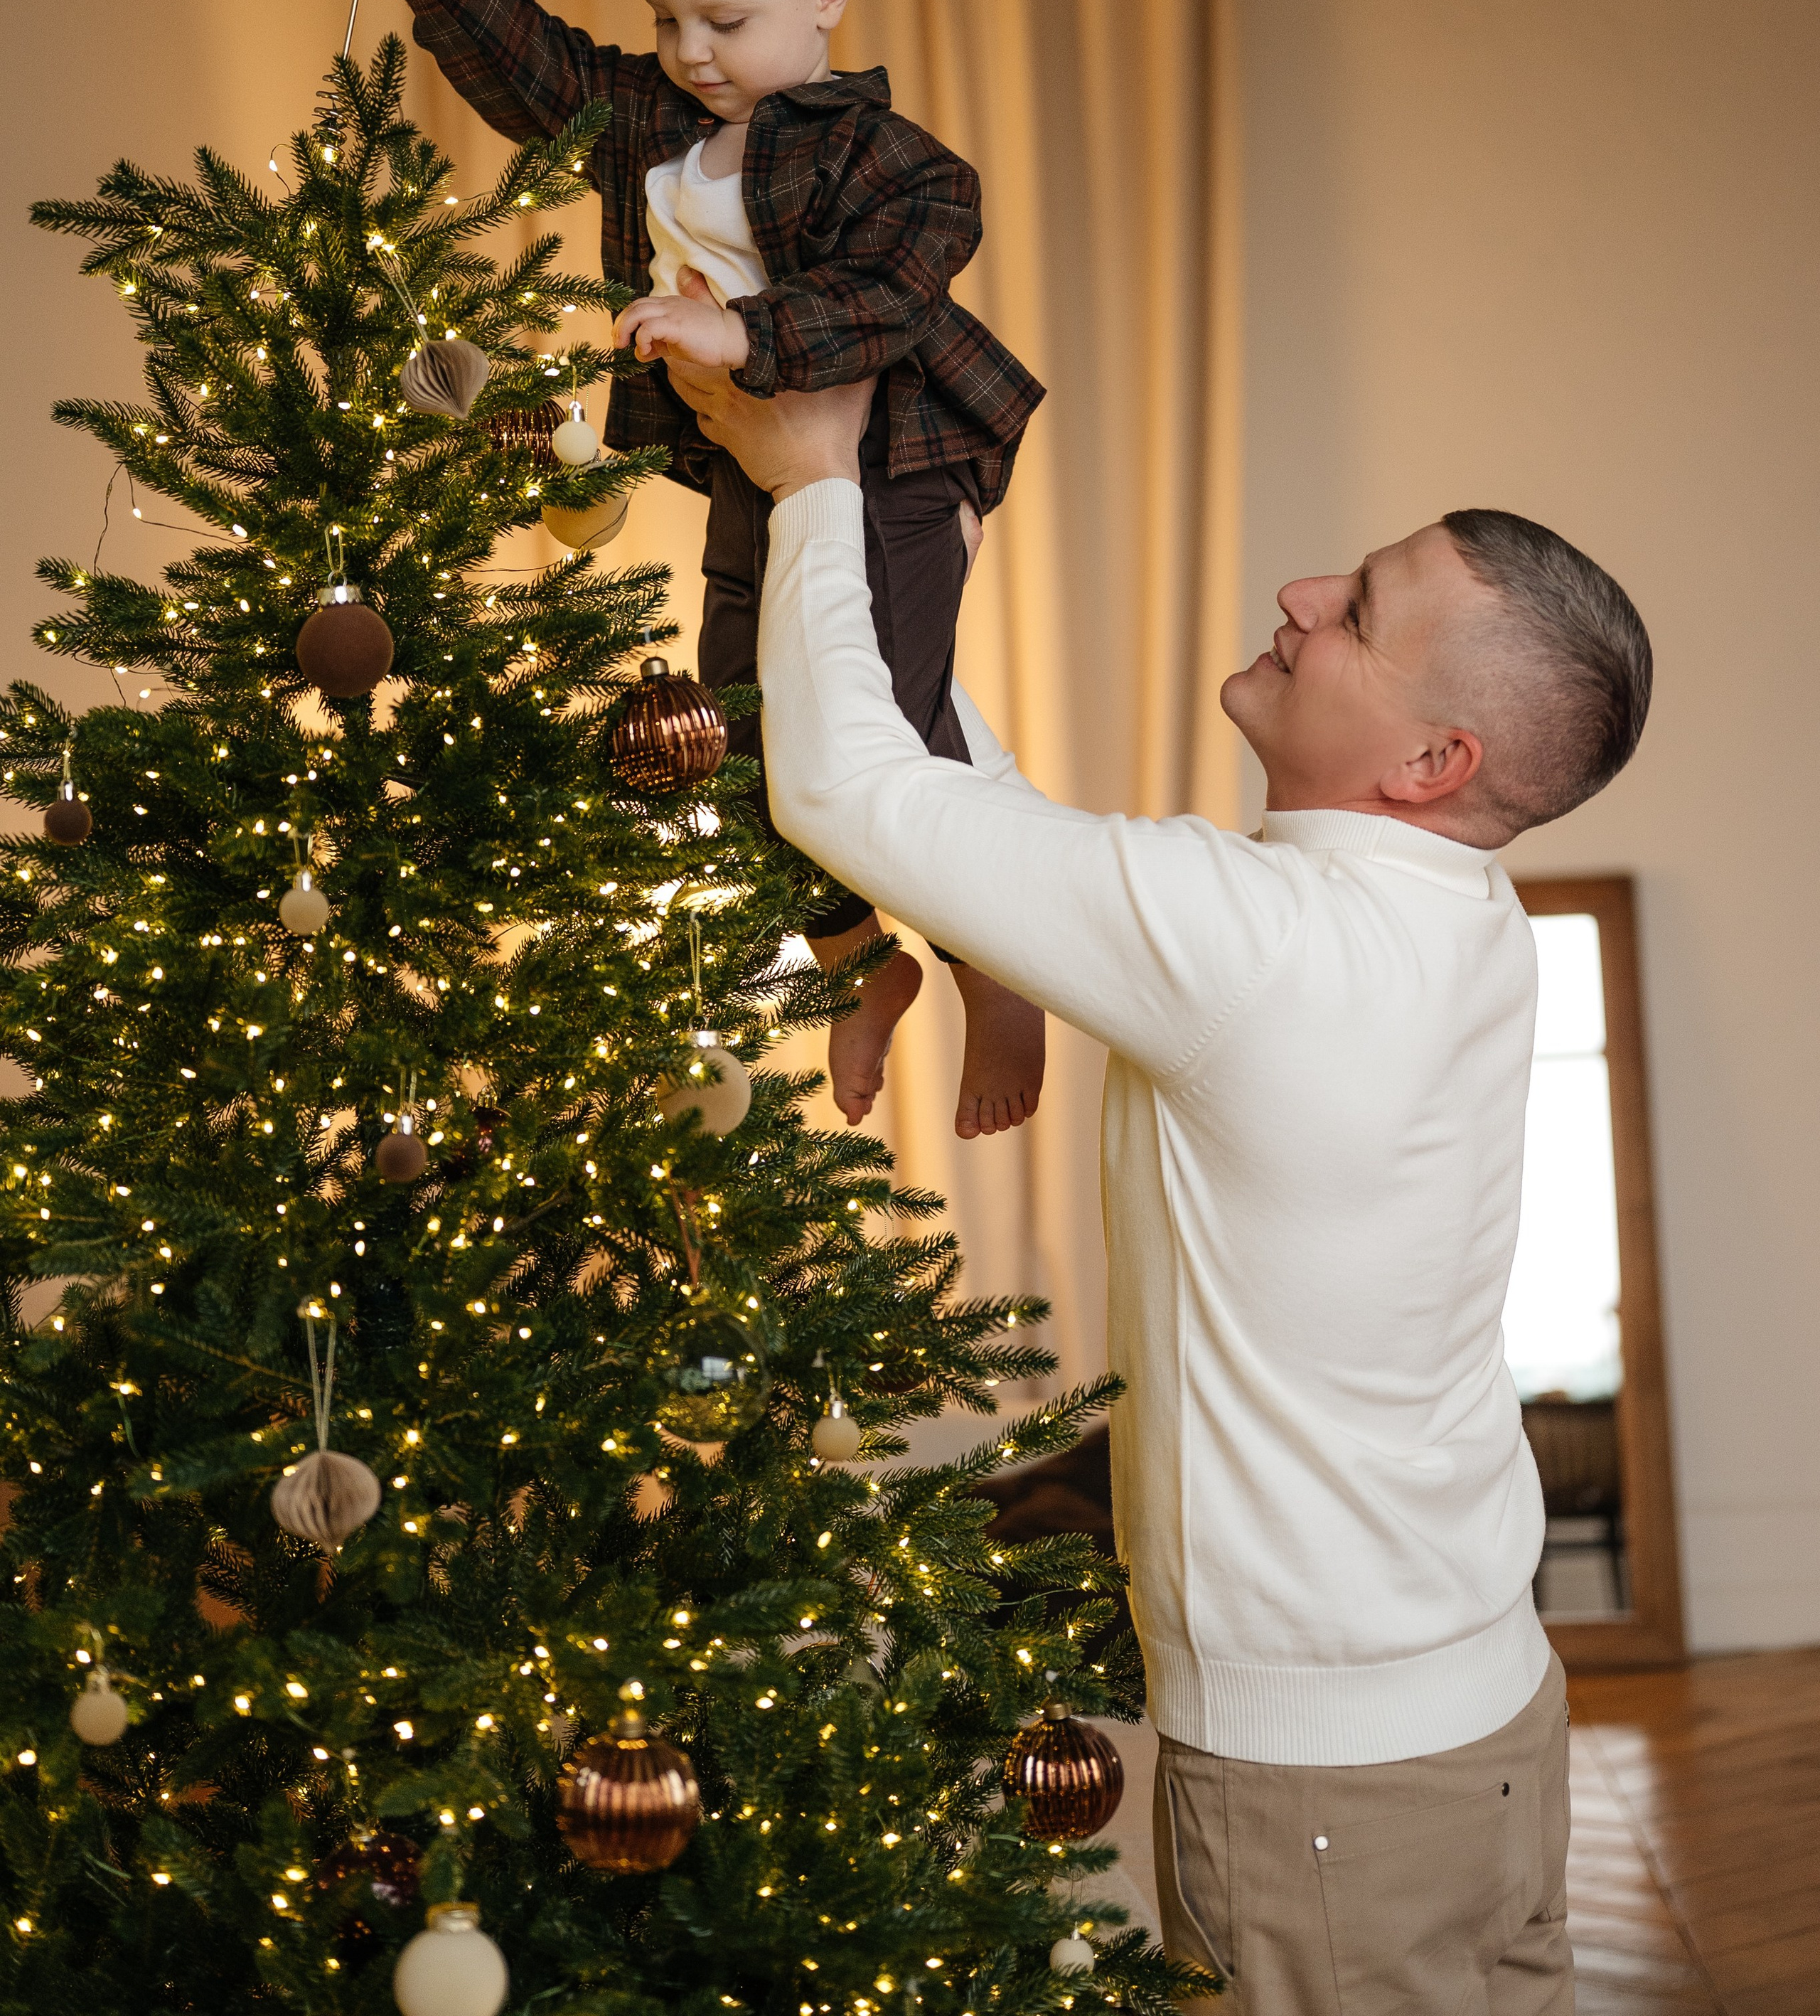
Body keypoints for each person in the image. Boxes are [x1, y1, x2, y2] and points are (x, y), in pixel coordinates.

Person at [661, 360, 1654, 2015]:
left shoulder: (1259, 946)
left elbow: (849, 796)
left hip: (1337, 1786)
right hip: (1476, 1704)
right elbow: (992, 837)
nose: (1297, 594)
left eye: (1355, 609)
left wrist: (817, 480)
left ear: (1430, 754)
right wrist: (912, 574)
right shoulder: (1441, 915)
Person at [352, 0, 1046, 1139]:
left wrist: (742, 330)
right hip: (753, 471)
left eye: (724, 23)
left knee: (878, 720)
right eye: (667, 19)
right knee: (740, 732)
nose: (690, 53)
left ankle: (995, 966)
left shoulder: (876, 157)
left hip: (899, 459)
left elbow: (901, 278)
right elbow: (536, 73)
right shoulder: (655, 120)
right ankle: (863, 965)